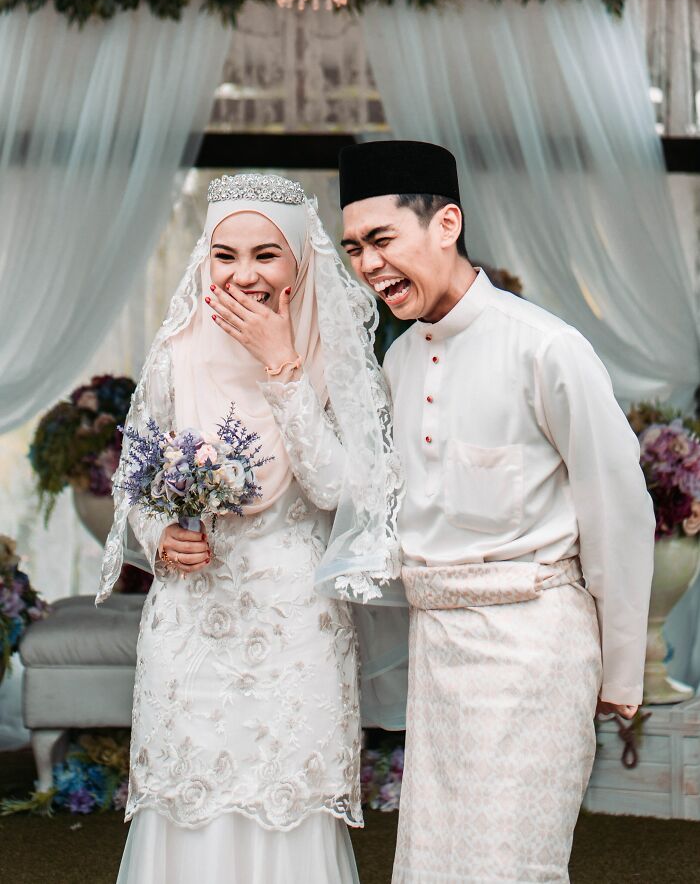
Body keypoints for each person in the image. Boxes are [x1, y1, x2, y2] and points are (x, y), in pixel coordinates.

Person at [338, 140, 656, 884]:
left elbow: (619, 512)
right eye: (354, 247)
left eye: (382, 239)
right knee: (435, 865)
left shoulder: (547, 349)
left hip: (534, 653)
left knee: (509, 868)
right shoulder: (399, 360)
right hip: (439, 654)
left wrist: (622, 673)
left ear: (446, 223)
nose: (368, 264)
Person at [96, 173, 403, 884]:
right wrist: (159, 537)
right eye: (225, 254)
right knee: (188, 802)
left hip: (294, 622)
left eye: (265, 255)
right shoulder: (176, 351)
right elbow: (136, 477)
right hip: (191, 621)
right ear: (204, 258)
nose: (243, 275)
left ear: (299, 261)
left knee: (285, 801)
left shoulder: (336, 356)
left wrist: (282, 368)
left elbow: (339, 491)